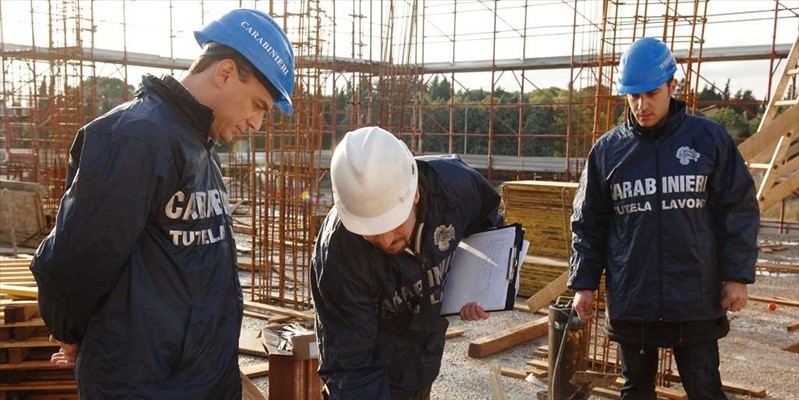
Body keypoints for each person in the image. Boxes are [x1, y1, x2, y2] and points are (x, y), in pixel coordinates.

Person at [29, 8, 294, 399]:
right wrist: (71, 331)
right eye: (258, 104)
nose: (256, 123)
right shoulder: (137, 139)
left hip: (193, 382)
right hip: (146, 387)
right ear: (224, 74)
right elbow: (74, 264)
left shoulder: (197, 146)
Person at [568, 37, 759, 399]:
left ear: (673, 85)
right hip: (633, 296)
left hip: (694, 297)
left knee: (704, 389)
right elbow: (588, 221)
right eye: (633, 96)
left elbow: (738, 209)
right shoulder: (608, 152)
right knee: (636, 390)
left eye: (651, 93)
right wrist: (584, 283)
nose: (642, 105)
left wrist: (736, 276)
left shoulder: (708, 140)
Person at [310, 126, 503, 399]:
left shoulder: (455, 187)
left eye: (393, 222)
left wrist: (474, 288)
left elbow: (489, 223)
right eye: (373, 231)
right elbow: (352, 366)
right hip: (368, 372)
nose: (387, 239)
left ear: (414, 194)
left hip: (423, 357)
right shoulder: (339, 256)